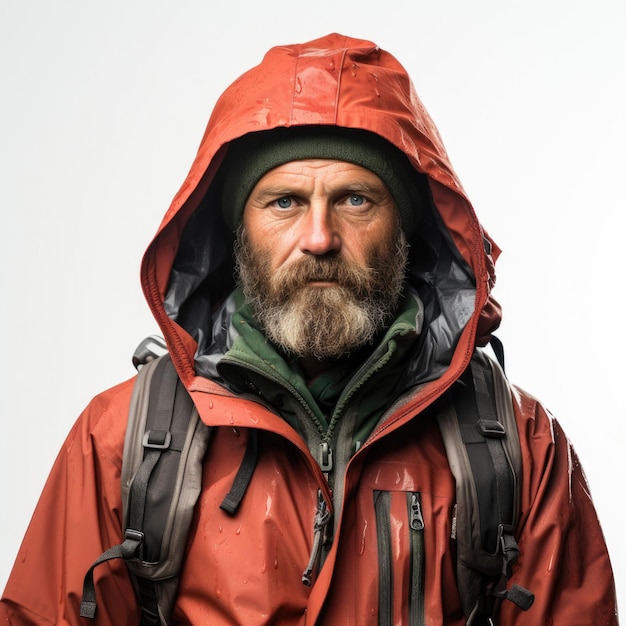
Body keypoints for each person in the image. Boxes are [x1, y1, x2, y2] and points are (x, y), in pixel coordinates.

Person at [0, 33, 617, 626]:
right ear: (237, 232)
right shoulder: (119, 443)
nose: (319, 239)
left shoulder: (521, 446)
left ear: (406, 228)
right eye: (285, 202)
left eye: (354, 199)